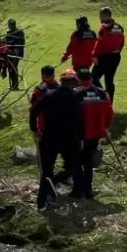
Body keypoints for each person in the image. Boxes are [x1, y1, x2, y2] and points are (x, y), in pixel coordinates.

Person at [29, 69, 85, 210]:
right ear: (73, 85)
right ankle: (57, 182)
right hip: (69, 139)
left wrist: (34, 129)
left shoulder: (49, 96)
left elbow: (33, 111)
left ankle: (42, 203)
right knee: (75, 167)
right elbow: (80, 121)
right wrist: (82, 137)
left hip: (49, 137)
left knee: (46, 170)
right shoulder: (75, 99)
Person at [74, 69, 114, 200]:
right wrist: (106, 127)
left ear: (78, 79)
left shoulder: (76, 93)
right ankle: (88, 189)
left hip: (80, 133)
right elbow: (110, 112)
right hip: (96, 132)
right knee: (88, 162)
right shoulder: (102, 93)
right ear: (91, 79)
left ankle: (78, 188)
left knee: (78, 161)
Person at [93, 7, 125, 100]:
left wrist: (95, 55)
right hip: (115, 56)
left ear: (103, 16)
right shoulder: (119, 27)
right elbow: (122, 43)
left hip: (104, 57)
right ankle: (109, 103)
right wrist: (117, 51)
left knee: (93, 77)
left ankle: (102, 96)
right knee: (109, 80)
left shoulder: (104, 28)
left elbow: (100, 44)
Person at [3, 19, 25, 90]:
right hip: (9, 53)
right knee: (10, 68)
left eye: (12, 25)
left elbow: (21, 42)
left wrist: (18, 53)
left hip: (15, 53)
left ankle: (15, 85)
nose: (10, 27)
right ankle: (13, 84)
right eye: (10, 25)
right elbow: (6, 43)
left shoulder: (19, 32)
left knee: (13, 68)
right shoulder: (9, 33)